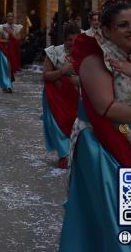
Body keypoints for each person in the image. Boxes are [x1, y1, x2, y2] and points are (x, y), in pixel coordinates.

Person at [60, 2, 131, 251]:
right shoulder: (96, 59)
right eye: (123, 25)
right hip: (103, 144)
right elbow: (106, 108)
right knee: (111, 216)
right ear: (106, 30)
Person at [41, 23, 80, 169]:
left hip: (75, 96)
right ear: (64, 39)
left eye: (76, 40)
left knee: (74, 124)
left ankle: (74, 152)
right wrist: (63, 71)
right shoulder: (54, 52)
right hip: (55, 97)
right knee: (57, 125)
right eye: (70, 40)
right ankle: (63, 154)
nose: (72, 43)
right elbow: (45, 76)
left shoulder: (84, 54)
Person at [0, 12, 22, 93]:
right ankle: (7, 85)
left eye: (12, 16)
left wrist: (11, 33)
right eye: (8, 16)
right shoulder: (1, 27)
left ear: (14, 18)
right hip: (3, 49)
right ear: (6, 18)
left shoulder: (17, 27)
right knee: (4, 67)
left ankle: (8, 84)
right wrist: (7, 41)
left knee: (10, 67)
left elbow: (18, 38)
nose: (10, 18)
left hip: (12, 51)